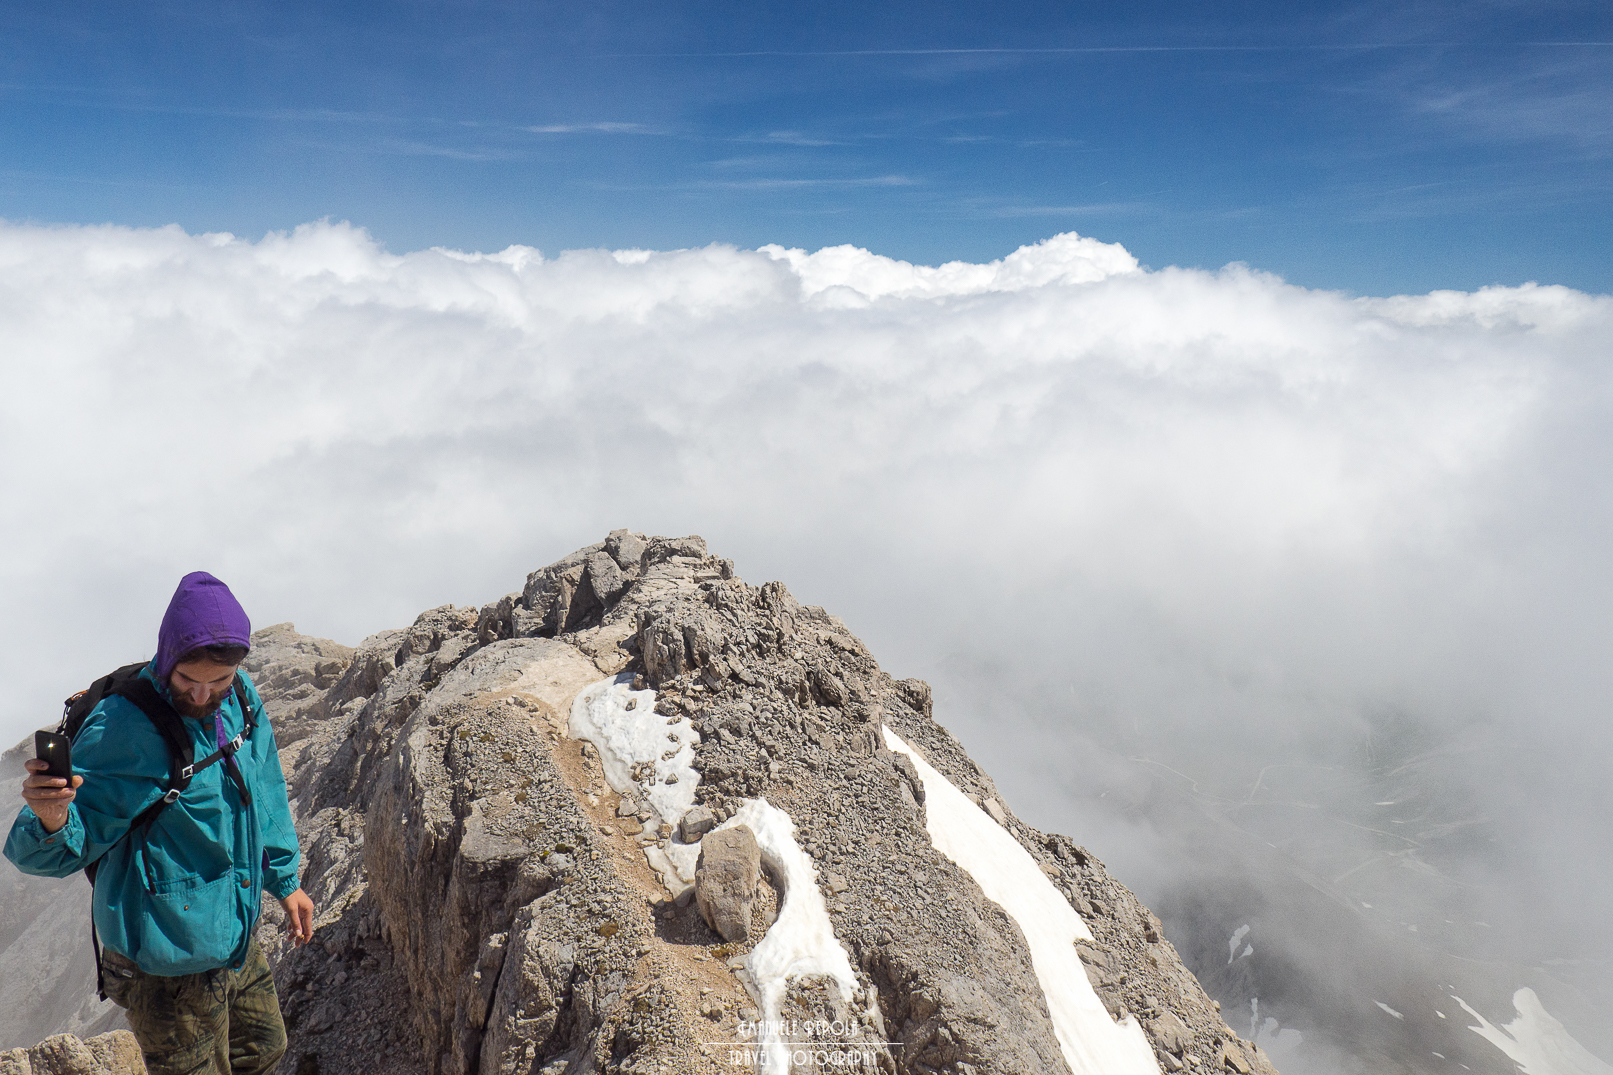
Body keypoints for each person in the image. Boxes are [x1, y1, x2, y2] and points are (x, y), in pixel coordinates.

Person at [5, 571, 314, 1075]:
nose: (201, 695)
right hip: (163, 965)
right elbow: (45, 852)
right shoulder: (124, 730)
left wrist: (285, 880)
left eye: (218, 680)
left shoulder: (238, 698)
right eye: (188, 679)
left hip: (230, 933)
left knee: (263, 1046)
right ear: (167, 658)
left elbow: (265, 787)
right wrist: (51, 815)